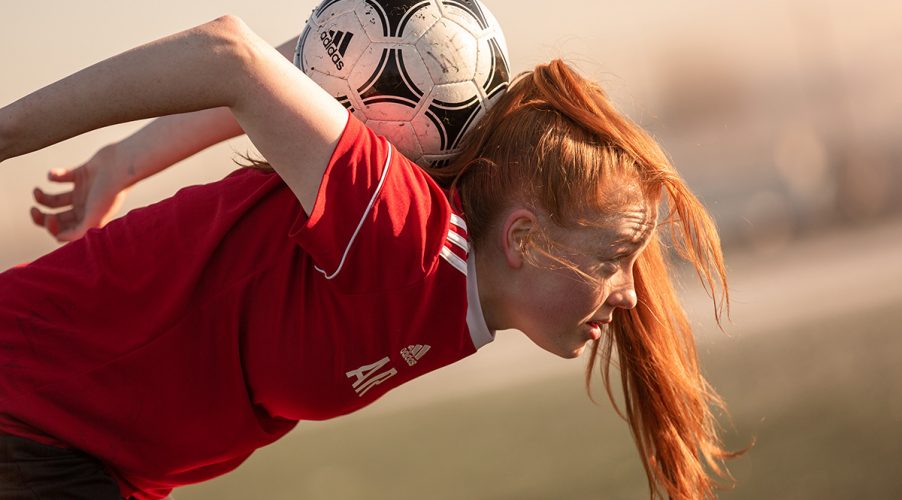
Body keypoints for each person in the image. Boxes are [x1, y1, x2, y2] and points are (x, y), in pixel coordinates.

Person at [0, 15, 736, 500]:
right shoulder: (406, 241)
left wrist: (128, 158)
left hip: (89, 460)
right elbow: (232, 57)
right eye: (615, 258)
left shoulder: (441, 281)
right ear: (521, 239)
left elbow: (296, 72)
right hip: (30, 420)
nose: (634, 295)